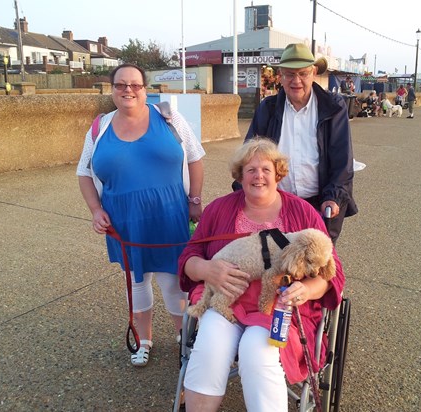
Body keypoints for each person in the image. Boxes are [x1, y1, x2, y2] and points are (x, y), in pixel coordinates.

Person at [178, 138, 345, 412]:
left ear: (278, 173)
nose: (259, 176)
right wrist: (208, 269)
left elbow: (332, 272)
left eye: (266, 169)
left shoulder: (303, 212)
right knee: (209, 346)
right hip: (226, 300)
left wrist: (306, 290)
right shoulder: (219, 209)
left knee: (257, 352)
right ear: (240, 176)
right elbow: (188, 257)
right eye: (250, 170)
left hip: (278, 307)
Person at [76, 63, 206, 367]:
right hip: (124, 220)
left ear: (145, 89)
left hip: (170, 214)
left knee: (173, 279)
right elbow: (84, 172)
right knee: (136, 281)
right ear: (112, 90)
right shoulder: (99, 128)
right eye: (121, 85)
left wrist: (195, 200)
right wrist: (95, 211)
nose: (128, 90)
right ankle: (144, 339)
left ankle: (183, 337)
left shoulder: (169, 118)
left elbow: (195, 157)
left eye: (135, 84)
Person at [243, 43, 357, 243]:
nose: (296, 81)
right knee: (279, 262)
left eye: (303, 74)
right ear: (280, 75)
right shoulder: (267, 108)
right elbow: (248, 156)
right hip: (278, 203)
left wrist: (334, 196)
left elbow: (342, 161)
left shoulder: (333, 106)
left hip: (320, 203)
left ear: (313, 72)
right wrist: (243, 193)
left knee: (316, 266)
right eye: (289, 74)